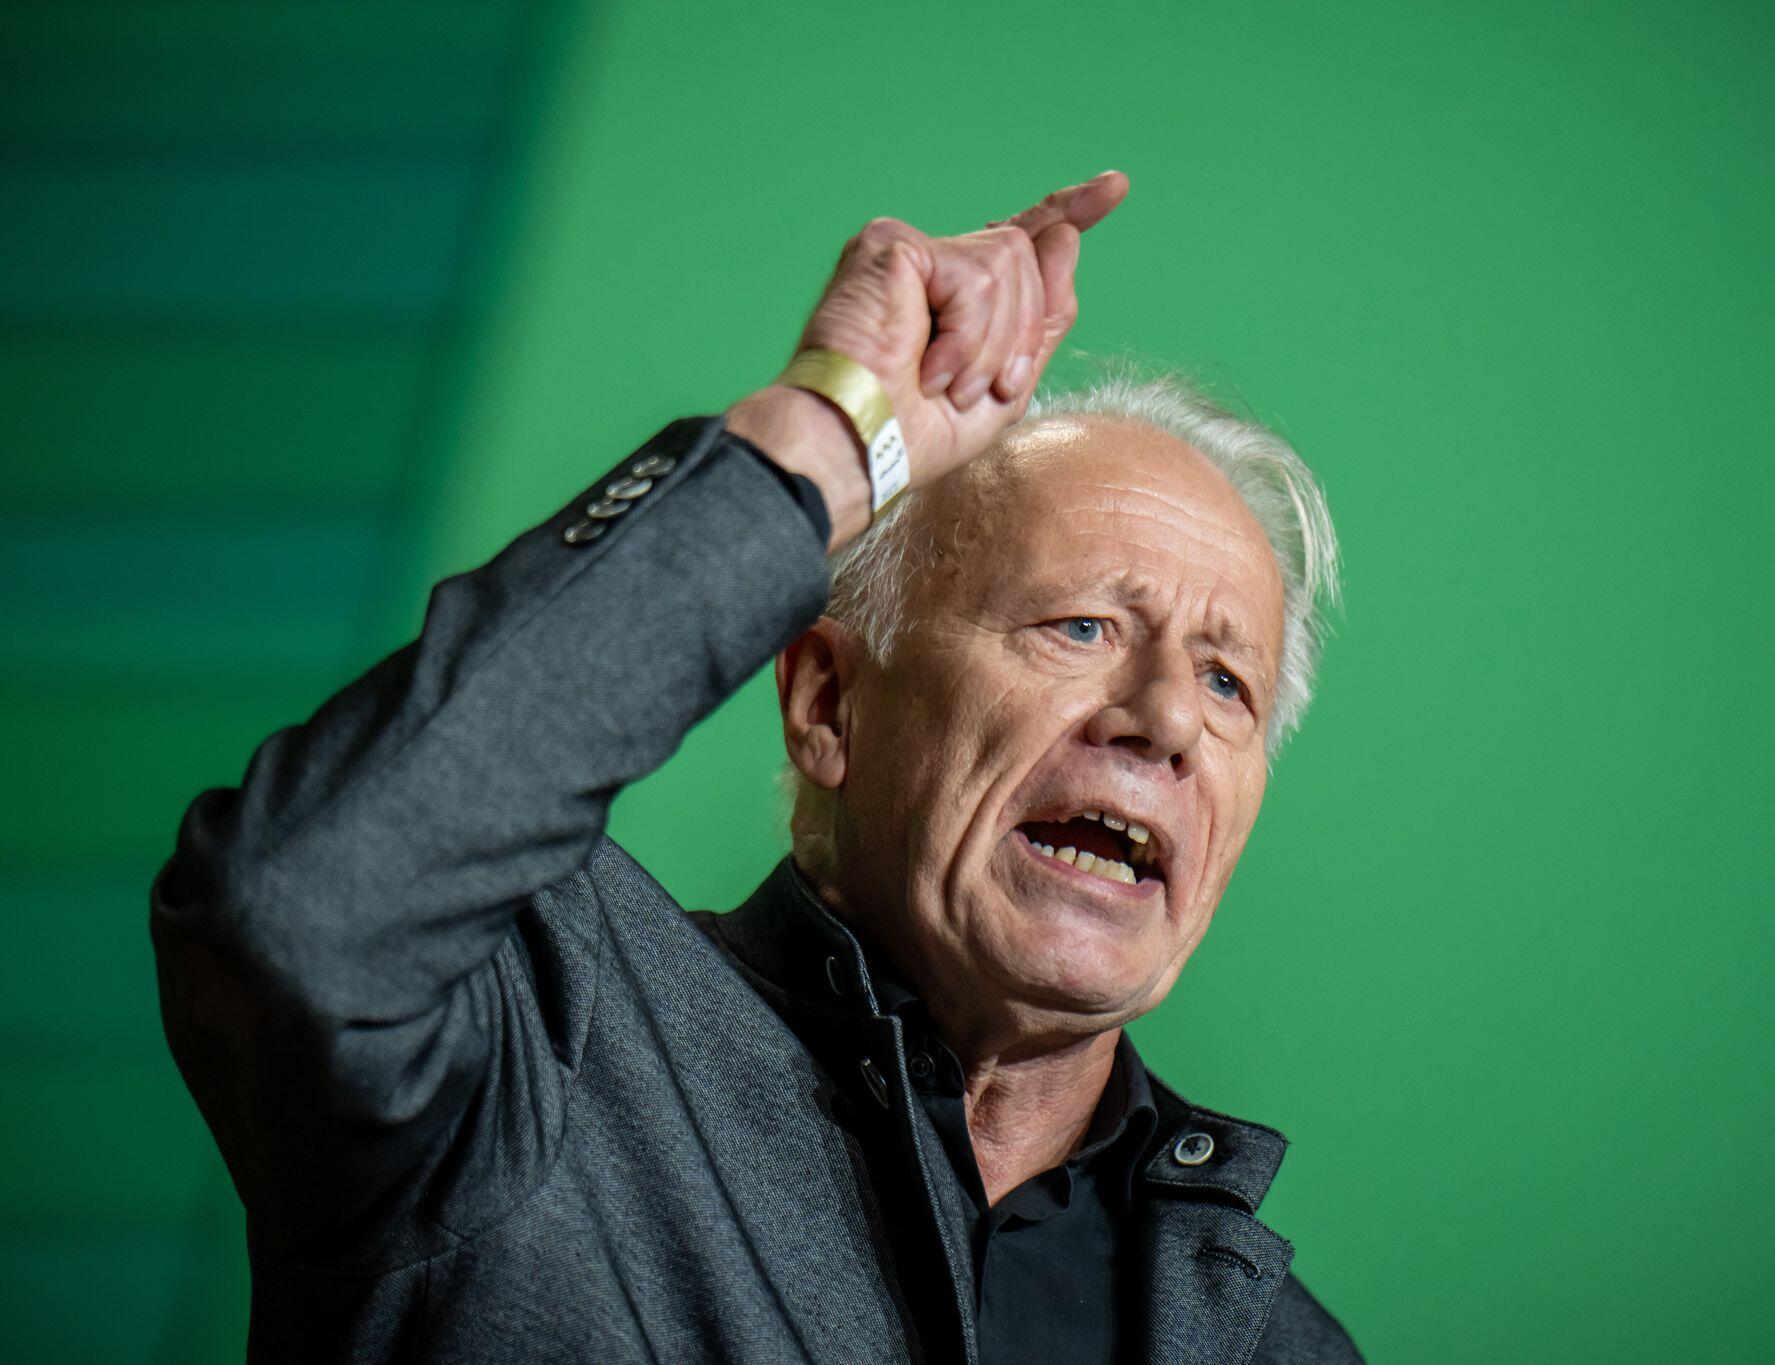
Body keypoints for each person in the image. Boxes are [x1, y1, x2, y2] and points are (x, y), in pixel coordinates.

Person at [151, 170, 1362, 1363]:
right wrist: (821, 439)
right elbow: (301, 911)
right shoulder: (542, 1042)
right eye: (1081, 626)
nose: (1166, 718)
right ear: (827, 704)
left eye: (1227, 683)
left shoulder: (1276, 1347)